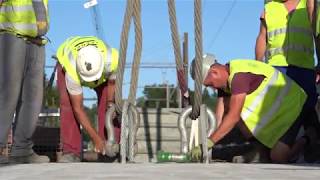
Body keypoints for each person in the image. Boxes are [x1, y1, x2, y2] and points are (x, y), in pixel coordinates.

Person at [190, 58, 307, 163]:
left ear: (215, 72)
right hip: (277, 114)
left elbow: (233, 117)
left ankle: (309, 139)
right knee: (232, 108)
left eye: (210, 84)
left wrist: (209, 143)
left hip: (293, 106)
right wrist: (207, 143)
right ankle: (261, 153)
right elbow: (220, 117)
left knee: (278, 157)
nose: (212, 88)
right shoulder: (225, 83)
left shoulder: (239, 76)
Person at [255, 0, 320, 144]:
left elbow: (317, 35)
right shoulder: (269, 7)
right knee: (278, 110)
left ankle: (312, 143)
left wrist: (319, 62)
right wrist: (258, 66)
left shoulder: (309, 5)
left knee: (308, 108)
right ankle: (276, 147)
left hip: (304, 66)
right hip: (277, 67)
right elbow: (262, 37)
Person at [0, 0, 50, 164]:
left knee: (33, 99)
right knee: (8, 94)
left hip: (37, 39)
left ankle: (22, 150)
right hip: (11, 34)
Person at [56, 36, 119, 162]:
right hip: (66, 63)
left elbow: (112, 83)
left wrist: (110, 104)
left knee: (112, 107)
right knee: (68, 105)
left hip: (103, 75)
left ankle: (111, 148)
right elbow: (78, 109)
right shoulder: (71, 69)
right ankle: (71, 151)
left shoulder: (112, 59)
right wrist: (95, 139)